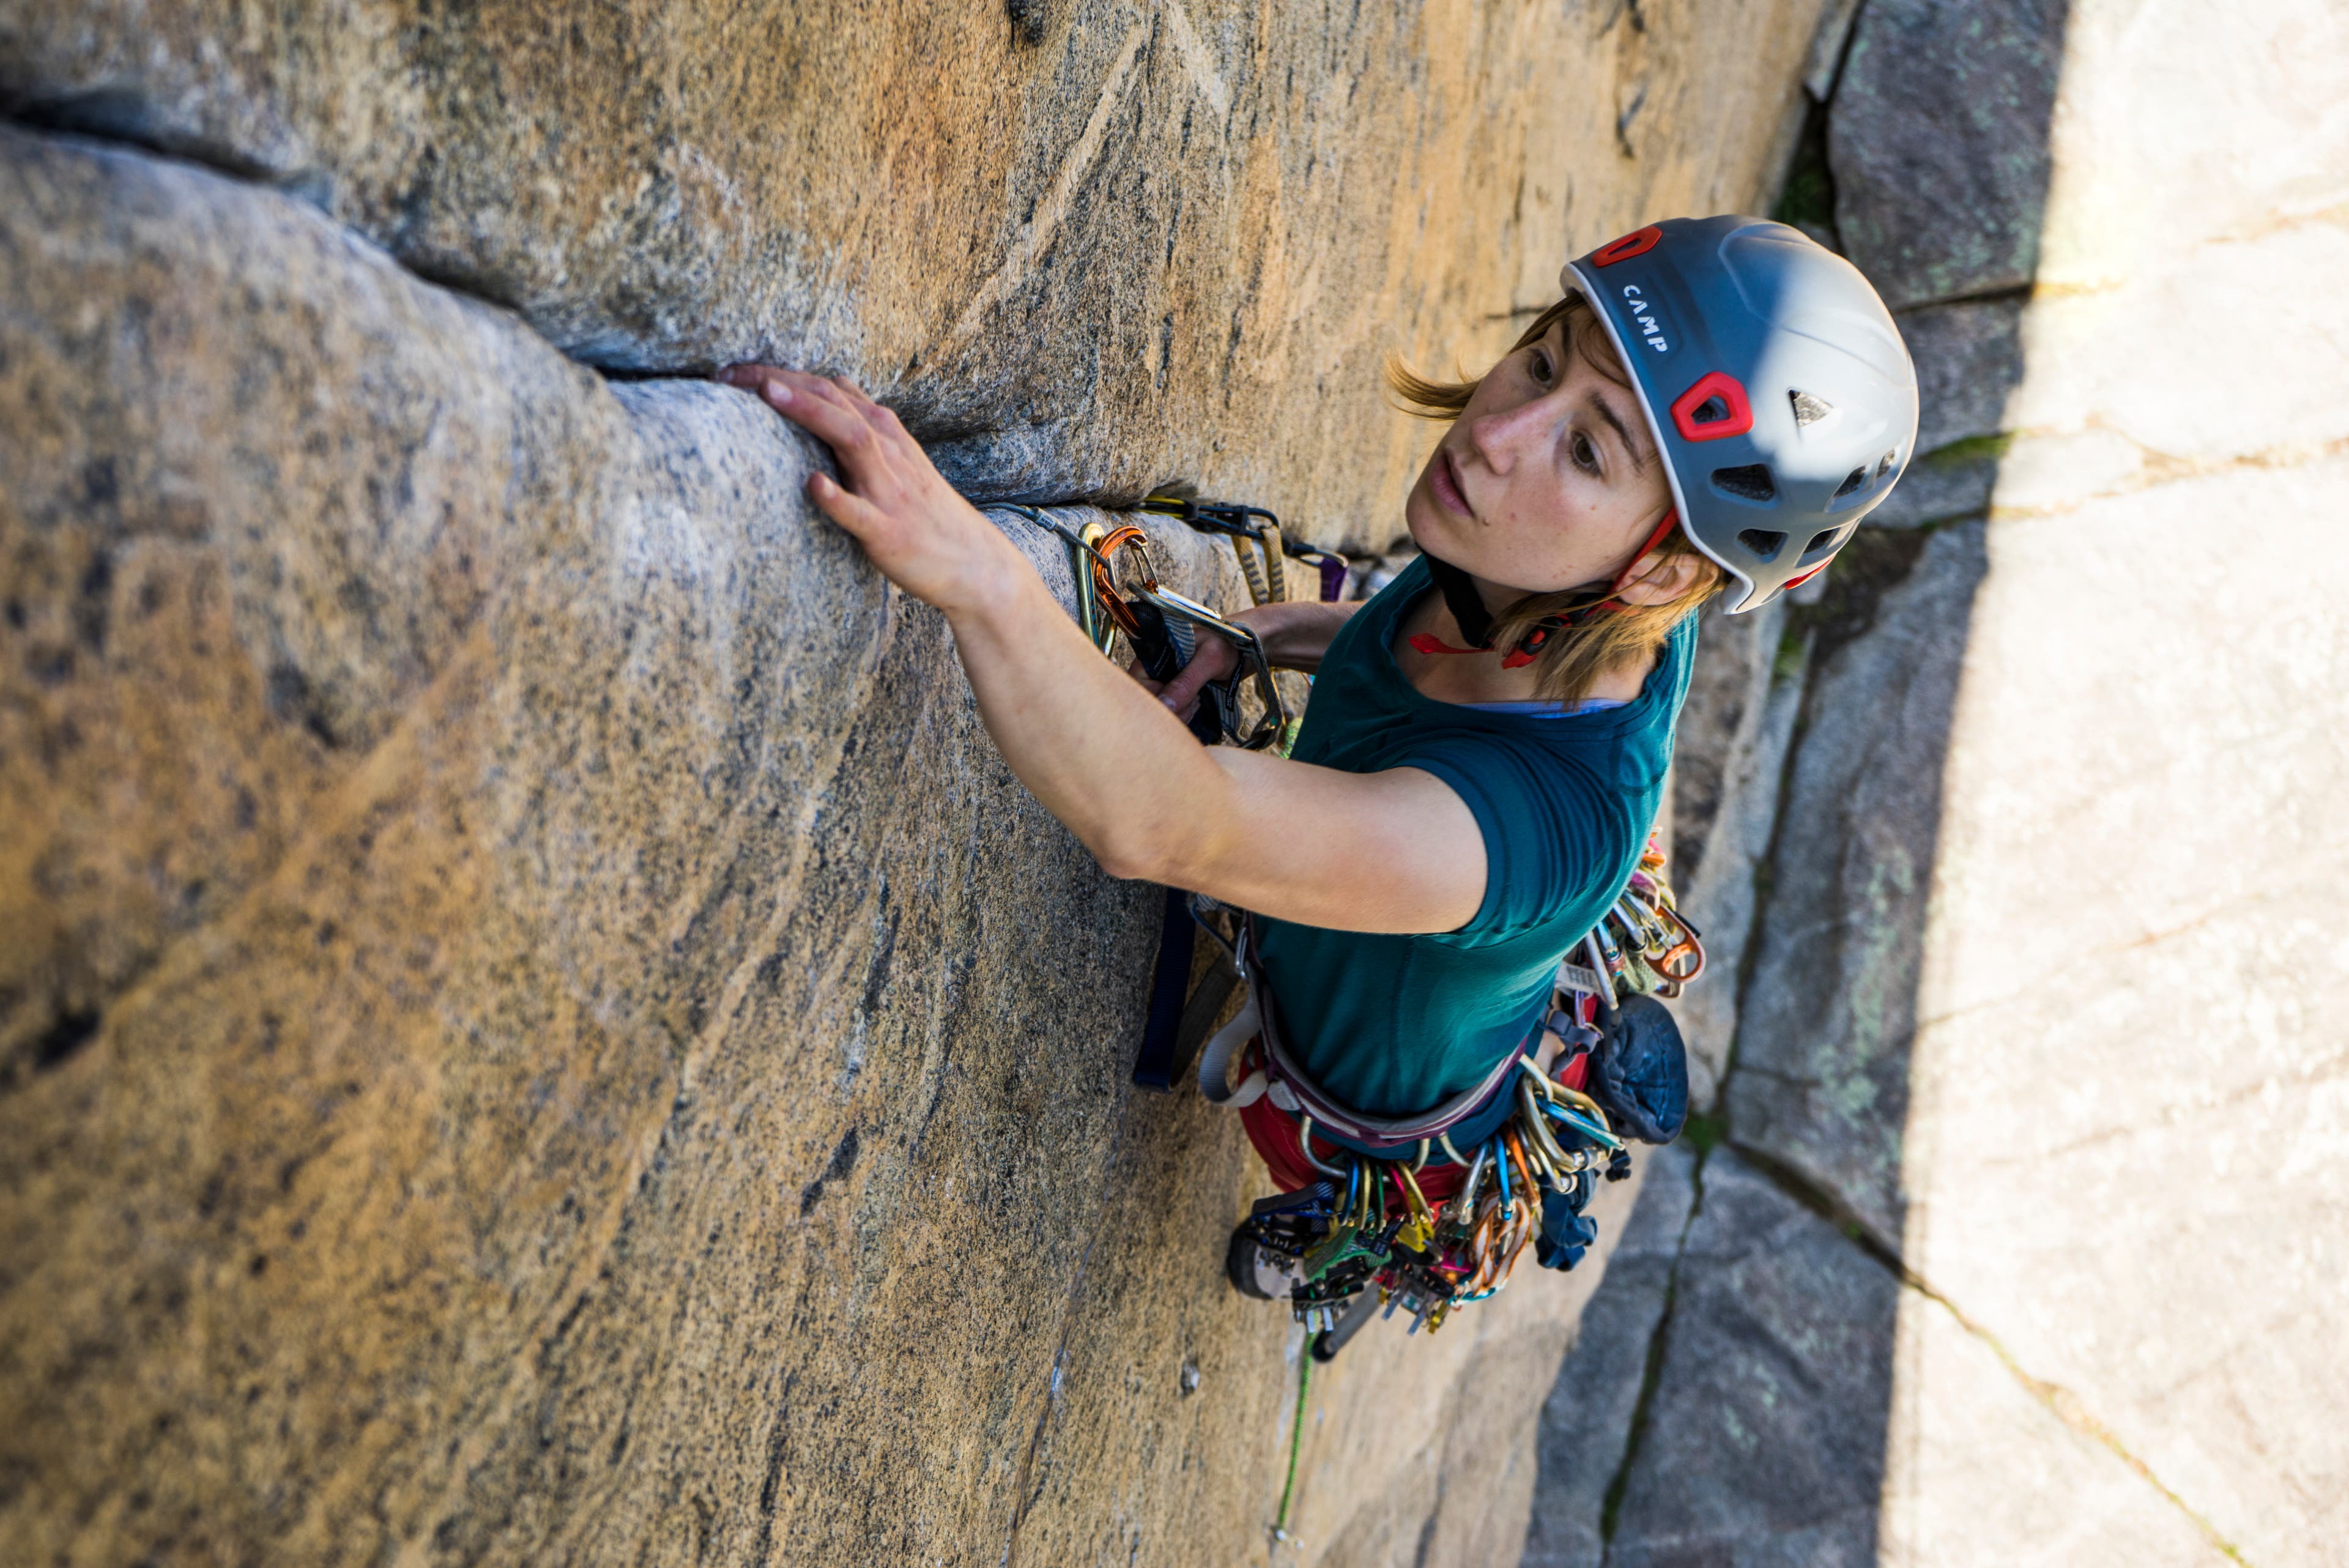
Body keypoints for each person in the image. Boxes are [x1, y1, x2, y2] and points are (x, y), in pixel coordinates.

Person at [719, 216, 1918, 1323]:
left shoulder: (1530, 826)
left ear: (1662, 575)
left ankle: (1322, 1257)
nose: (1493, 434)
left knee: (1337, 1199)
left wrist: (974, 569)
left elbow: (1162, 821)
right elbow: (1437, 650)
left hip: (1376, 1132)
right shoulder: (1587, 584)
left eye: (1587, 450)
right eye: (1545, 363)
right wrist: (1298, 631)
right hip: (1449, 940)